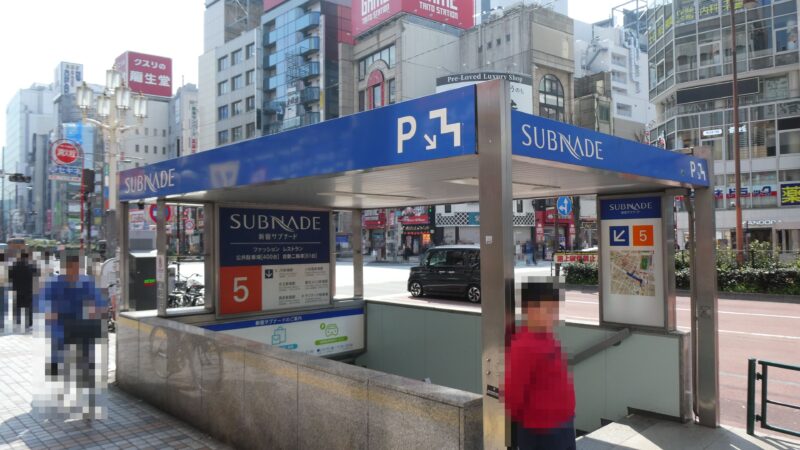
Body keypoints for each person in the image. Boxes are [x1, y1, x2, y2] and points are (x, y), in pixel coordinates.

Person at [36, 249, 108, 419]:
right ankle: (57, 372)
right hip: (61, 326)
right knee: (59, 354)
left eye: (78, 267)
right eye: (72, 267)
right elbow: (44, 302)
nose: (76, 271)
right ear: (65, 267)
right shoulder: (53, 283)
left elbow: (99, 300)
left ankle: (88, 393)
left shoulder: (86, 281)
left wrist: (99, 309)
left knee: (87, 360)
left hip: (82, 325)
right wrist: (49, 312)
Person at [505, 281, 576, 450]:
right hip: (540, 430)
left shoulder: (547, 337)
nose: (554, 316)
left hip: (562, 424)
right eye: (548, 310)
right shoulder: (524, 346)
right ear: (529, 309)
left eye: (555, 310)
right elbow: (513, 392)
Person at [9, 250, 39, 330]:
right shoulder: (31, 267)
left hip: (17, 289)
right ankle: (29, 323)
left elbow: (9, 277)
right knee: (28, 307)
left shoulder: (14, 266)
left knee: (18, 306)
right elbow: (37, 276)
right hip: (28, 290)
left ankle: (19, 322)